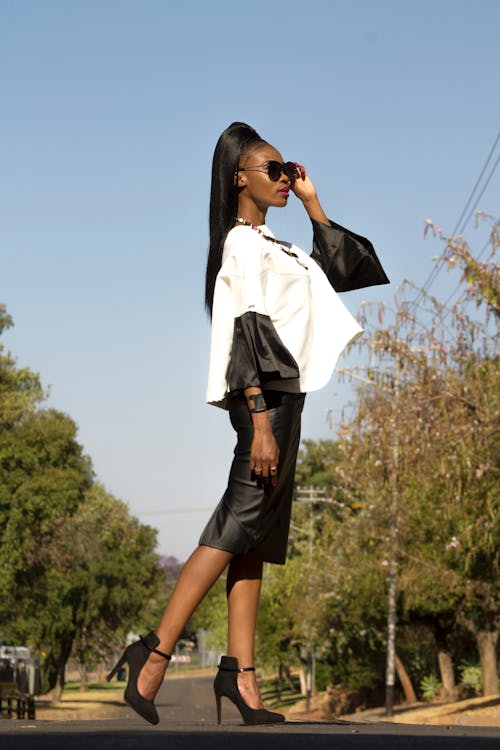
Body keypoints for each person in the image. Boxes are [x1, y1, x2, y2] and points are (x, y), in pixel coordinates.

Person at [107, 122, 389, 726]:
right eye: (275, 171)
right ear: (241, 178)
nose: (285, 179)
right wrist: (260, 421)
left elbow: (345, 269)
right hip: (265, 402)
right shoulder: (239, 245)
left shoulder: (276, 247)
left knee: (254, 536)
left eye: (290, 170)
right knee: (234, 525)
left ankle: (240, 675)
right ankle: (152, 654)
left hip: (286, 402)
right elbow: (244, 333)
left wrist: (313, 203)